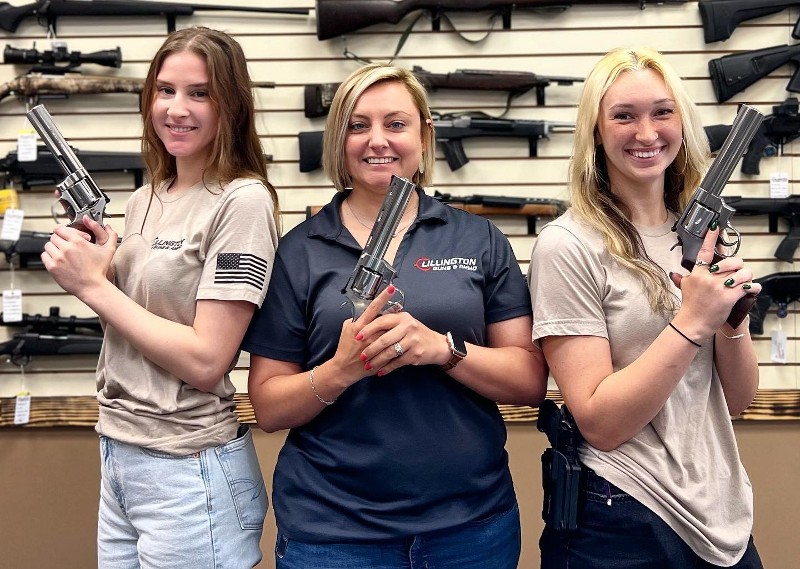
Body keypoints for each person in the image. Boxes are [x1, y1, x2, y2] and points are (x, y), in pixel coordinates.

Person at [243, 62, 548, 568]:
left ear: (425, 135)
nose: (377, 140)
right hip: (333, 534)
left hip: (470, 529)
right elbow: (270, 408)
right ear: (339, 139)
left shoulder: (477, 239)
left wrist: (443, 350)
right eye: (358, 125)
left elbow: (529, 379)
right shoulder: (298, 252)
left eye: (396, 124)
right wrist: (340, 371)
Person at [40, 27, 279, 568]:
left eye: (199, 93)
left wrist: (93, 286)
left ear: (231, 106)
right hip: (120, 452)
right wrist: (100, 261)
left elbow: (206, 359)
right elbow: (140, 317)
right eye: (164, 90)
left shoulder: (242, 201)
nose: (176, 108)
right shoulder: (147, 195)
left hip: (187, 468)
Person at [528, 46, 764, 568]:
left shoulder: (705, 238)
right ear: (595, 130)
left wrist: (731, 323)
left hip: (721, 508)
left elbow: (737, 401)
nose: (646, 132)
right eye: (623, 116)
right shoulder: (567, 246)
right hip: (623, 509)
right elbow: (600, 424)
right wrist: (690, 321)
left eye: (662, 111)